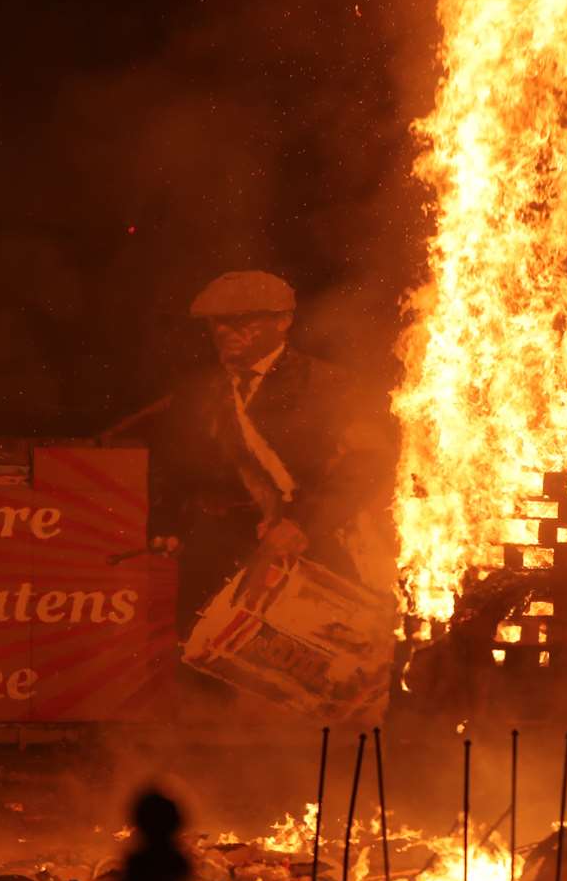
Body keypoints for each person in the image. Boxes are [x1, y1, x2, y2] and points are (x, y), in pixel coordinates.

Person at [107, 271, 387, 634]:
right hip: (216, 558)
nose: (224, 330)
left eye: (241, 320)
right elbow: (172, 469)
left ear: (283, 321)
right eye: (217, 322)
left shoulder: (329, 385)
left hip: (308, 552)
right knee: (202, 666)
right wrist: (168, 525)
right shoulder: (198, 392)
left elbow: (365, 464)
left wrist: (303, 524)